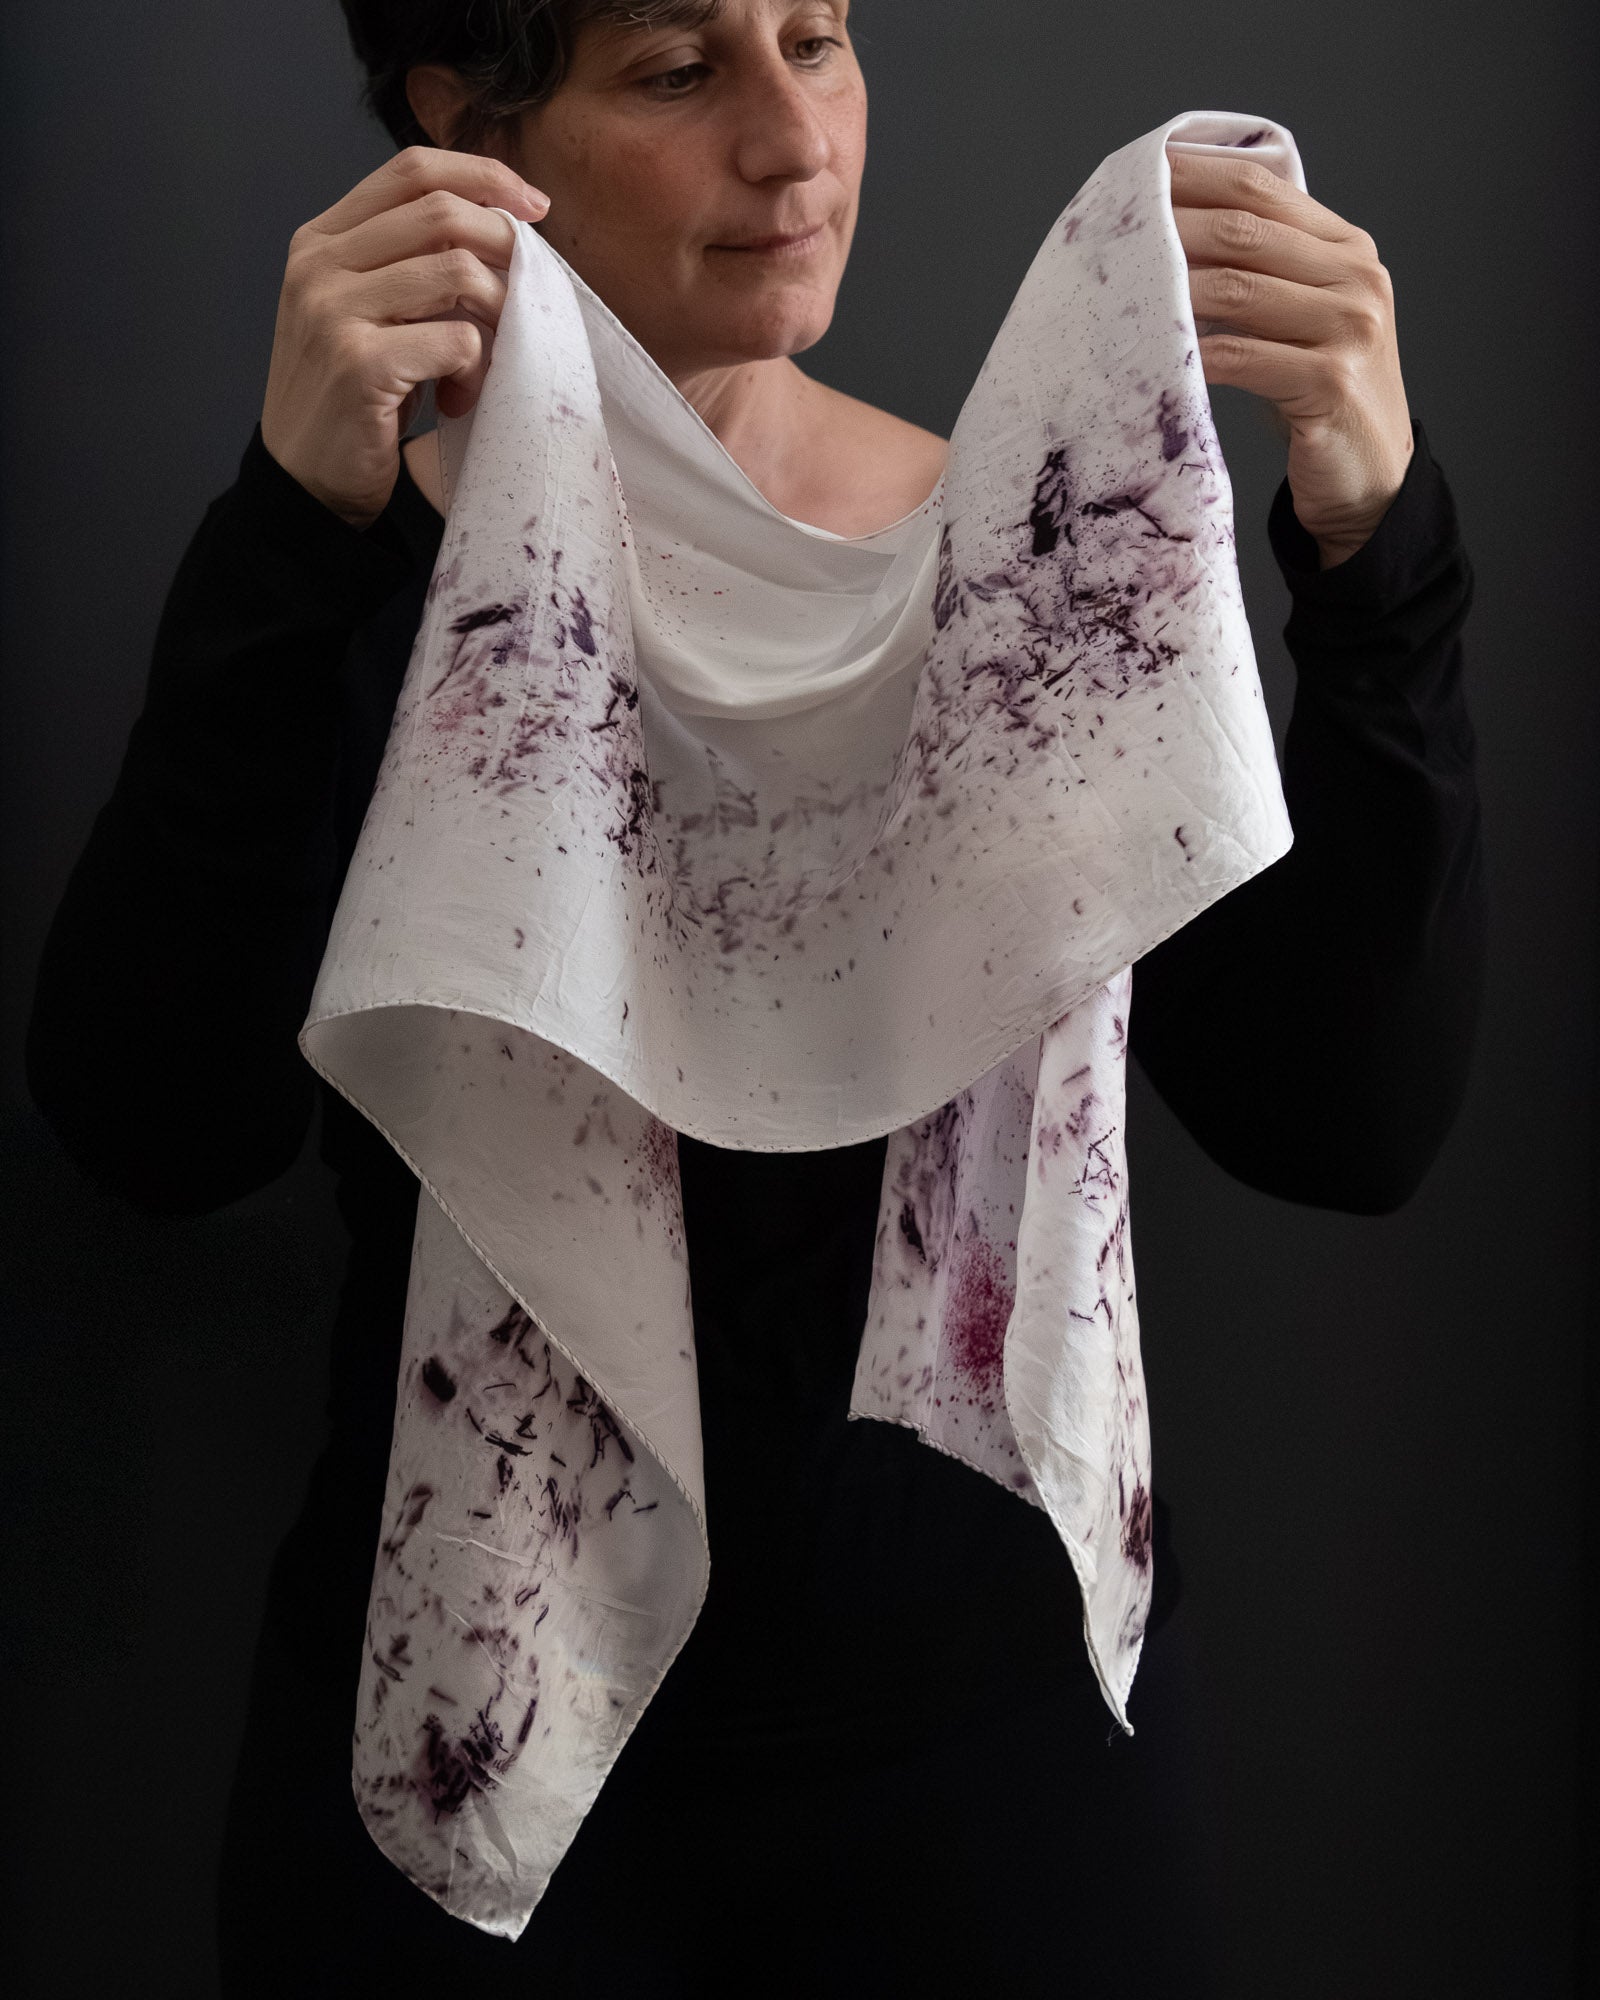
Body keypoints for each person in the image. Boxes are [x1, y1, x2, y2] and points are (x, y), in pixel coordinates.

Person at [23, 2, 1486, 1991]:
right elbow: (156, 1128)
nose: (795, 143)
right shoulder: (356, 577)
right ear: (468, 125)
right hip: (476, 1766)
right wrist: (289, 532)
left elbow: (1340, 1120)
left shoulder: (1028, 565)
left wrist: (1375, 554)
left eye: (818, 36)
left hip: (988, 1787)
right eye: (678, 69)